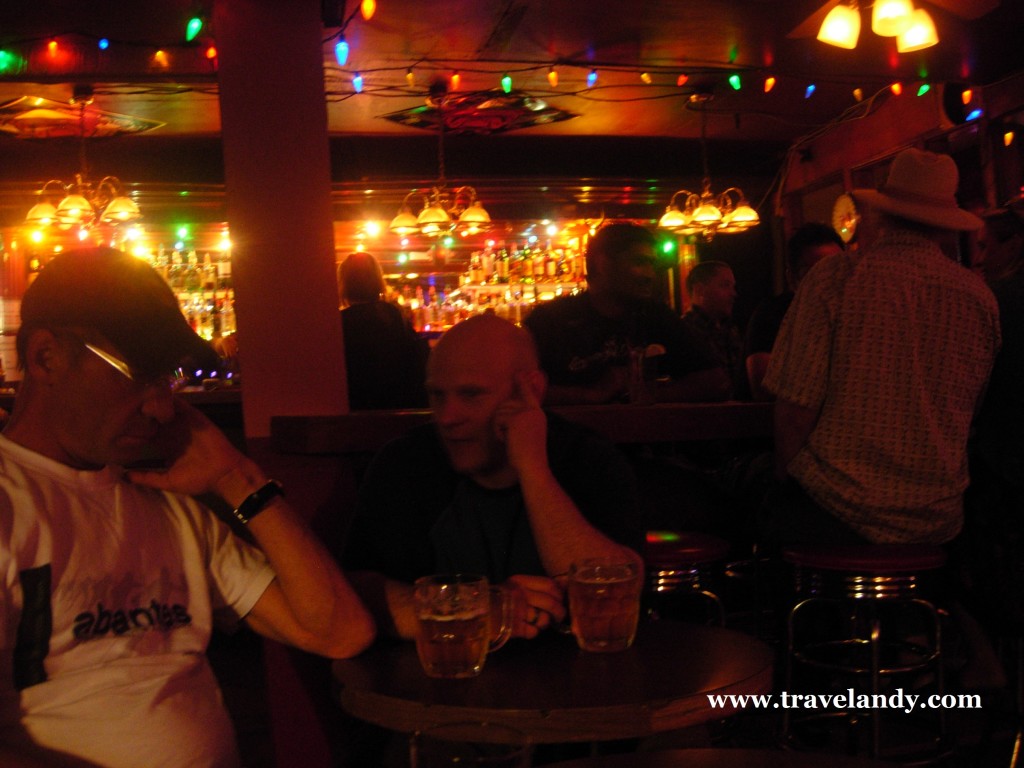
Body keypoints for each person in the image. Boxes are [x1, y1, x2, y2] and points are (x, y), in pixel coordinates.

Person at [0, 246, 375, 767]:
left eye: (167, 380)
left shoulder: (167, 502)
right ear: (47, 358)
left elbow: (338, 630)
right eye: (138, 375)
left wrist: (236, 479)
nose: (162, 407)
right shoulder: (9, 507)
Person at [342, 313, 642, 641]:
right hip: (440, 684)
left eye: (471, 395)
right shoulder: (404, 463)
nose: (447, 417)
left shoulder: (586, 458)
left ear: (532, 389)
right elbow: (354, 593)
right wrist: (479, 606)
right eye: (437, 395)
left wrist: (533, 469)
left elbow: (616, 595)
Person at [762, 148, 1000, 547]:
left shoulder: (836, 278)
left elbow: (794, 412)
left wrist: (787, 487)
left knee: (747, 495)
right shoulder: (979, 297)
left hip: (836, 510)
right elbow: (969, 411)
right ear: (944, 227)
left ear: (881, 213)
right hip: (938, 521)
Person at [522, 222, 731, 405]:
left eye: (652, 264)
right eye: (639, 262)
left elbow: (716, 382)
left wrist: (646, 393)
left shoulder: (655, 316)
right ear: (602, 264)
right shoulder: (550, 320)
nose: (650, 275)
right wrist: (592, 395)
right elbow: (516, 390)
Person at [744, 223, 844, 401]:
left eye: (836, 270)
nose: (829, 280)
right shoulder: (773, 314)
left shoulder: (854, 315)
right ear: (792, 278)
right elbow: (764, 388)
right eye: (815, 272)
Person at [338, 251, 429, 410]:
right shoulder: (392, 315)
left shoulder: (340, 322)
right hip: (398, 406)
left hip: (355, 408)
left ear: (344, 283)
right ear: (377, 281)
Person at [681, 260, 746, 399]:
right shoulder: (685, 331)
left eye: (733, 287)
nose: (734, 294)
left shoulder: (730, 329)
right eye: (725, 286)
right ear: (700, 290)